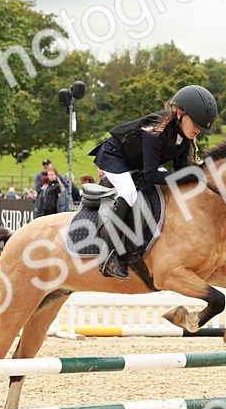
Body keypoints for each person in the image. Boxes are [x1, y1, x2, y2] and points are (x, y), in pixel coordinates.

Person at [88, 84, 216, 279]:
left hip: (138, 163)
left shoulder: (183, 138)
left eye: (202, 126)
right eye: (196, 123)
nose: (198, 130)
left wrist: (200, 173)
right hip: (114, 157)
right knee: (129, 193)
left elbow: (181, 171)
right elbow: (151, 176)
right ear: (180, 113)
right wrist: (188, 175)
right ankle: (108, 255)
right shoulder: (155, 133)